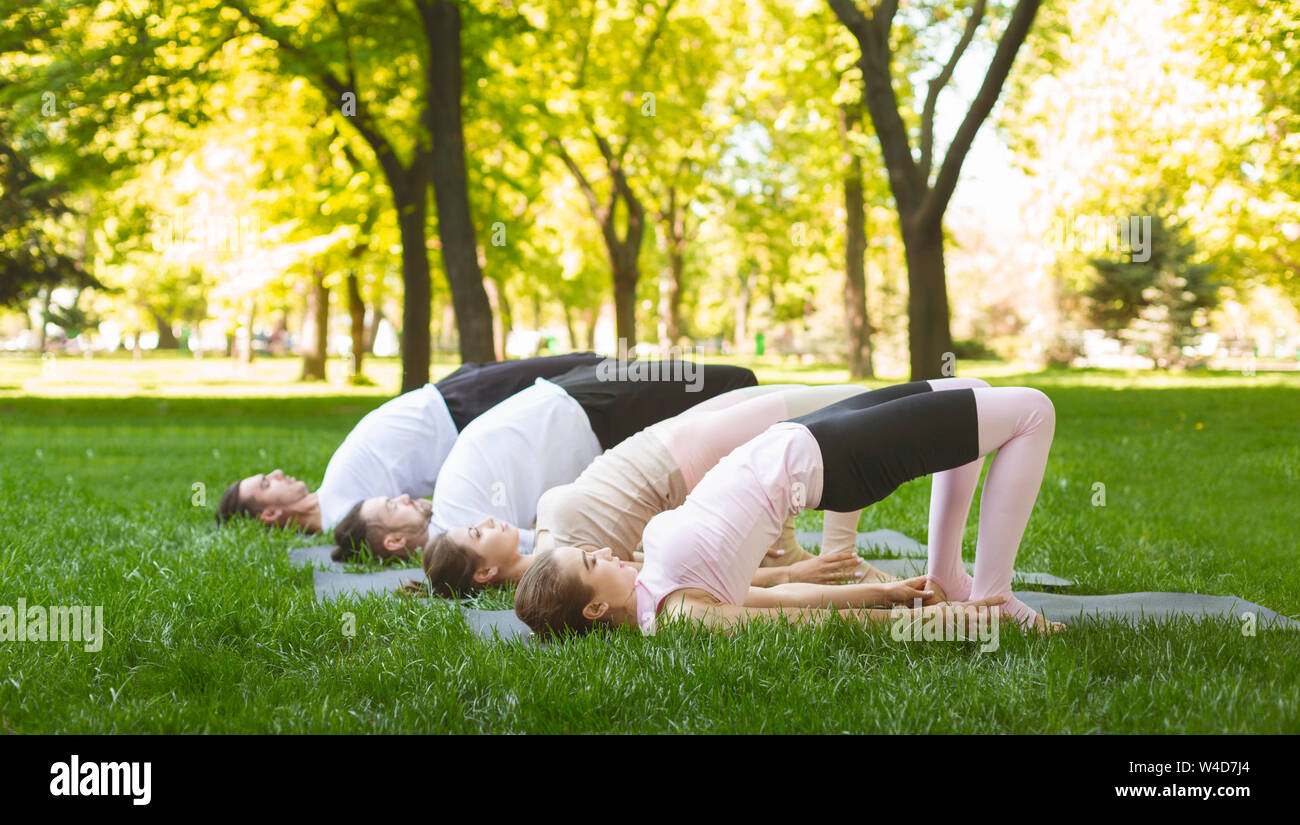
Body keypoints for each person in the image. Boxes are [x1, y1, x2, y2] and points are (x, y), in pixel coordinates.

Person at [514, 379, 1066, 637]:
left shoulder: (652, 590)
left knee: (967, 386)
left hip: (795, 440)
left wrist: (885, 592)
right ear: (592, 609)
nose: (606, 552)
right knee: (1032, 411)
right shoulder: (682, 617)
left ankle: (949, 576)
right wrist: (931, 625)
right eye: (591, 563)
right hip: (827, 461)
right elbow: (797, 622)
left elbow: (778, 594)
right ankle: (995, 600)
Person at [423, 382, 943, 597]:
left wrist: (785, 565)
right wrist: (786, 574)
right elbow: (672, 573)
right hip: (684, 459)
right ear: (484, 570)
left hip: (667, 441)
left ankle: (838, 563)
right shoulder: (566, 565)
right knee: (839, 411)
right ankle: (842, 556)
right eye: (474, 533)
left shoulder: (544, 546)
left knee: (820, 409)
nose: (485, 521)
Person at [332, 361, 758, 561]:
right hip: (589, 409)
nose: (403, 496)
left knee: (725, 390)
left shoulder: (453, 514)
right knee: (729, 388)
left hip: (578, 401)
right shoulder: (457, 524)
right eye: (390, 507)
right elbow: (555, 548)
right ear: (393, 540)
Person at [215, 352, 606, 533]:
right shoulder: (341, 516)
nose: (277, 473)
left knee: (585, 370)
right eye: (265, 484)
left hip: (452, 397)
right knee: (589, 371)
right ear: (268, 515)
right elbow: (419, 522)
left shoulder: (332, 495)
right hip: (461, 412)